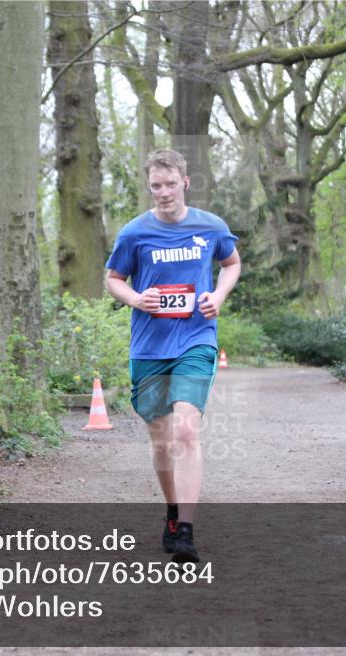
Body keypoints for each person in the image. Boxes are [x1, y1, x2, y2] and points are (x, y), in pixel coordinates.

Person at [104, 149, 241, 563]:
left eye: (170, 184)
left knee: (185, 433)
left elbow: (231, 263)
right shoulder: (134, 233)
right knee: (162, 442)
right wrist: (135, 298)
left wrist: (218, 295)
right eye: (155, 186)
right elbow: (113, 278)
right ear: (150, 188)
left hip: (196, 340)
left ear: (185, 182)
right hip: (148, 347)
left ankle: (185, 529)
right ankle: (171, 511)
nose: (163, 193)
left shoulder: (210, 226)